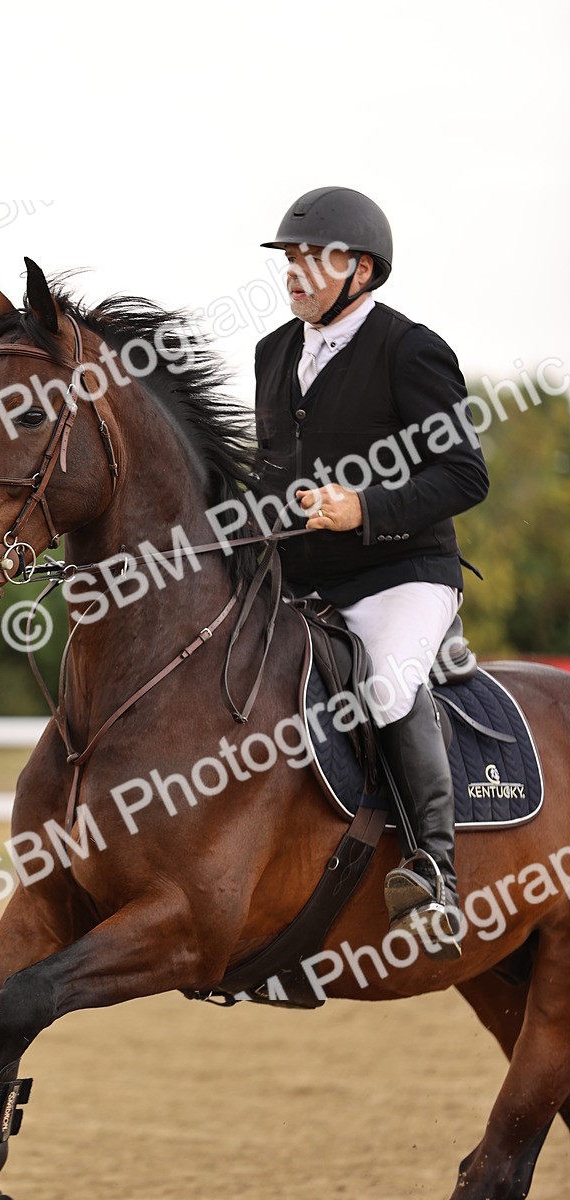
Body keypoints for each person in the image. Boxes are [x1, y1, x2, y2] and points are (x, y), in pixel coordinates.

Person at [254, 186, 489, 959]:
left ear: (359, 268)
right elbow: (271, 475)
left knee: (387, 682)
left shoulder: (410, 348)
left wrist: (365, 508)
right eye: (288, 259)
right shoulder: (274, 353)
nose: (292, 273)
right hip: (305, 581)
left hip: (401, 572)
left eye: (308, 259)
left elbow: (464, 475)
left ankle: (436, 870)